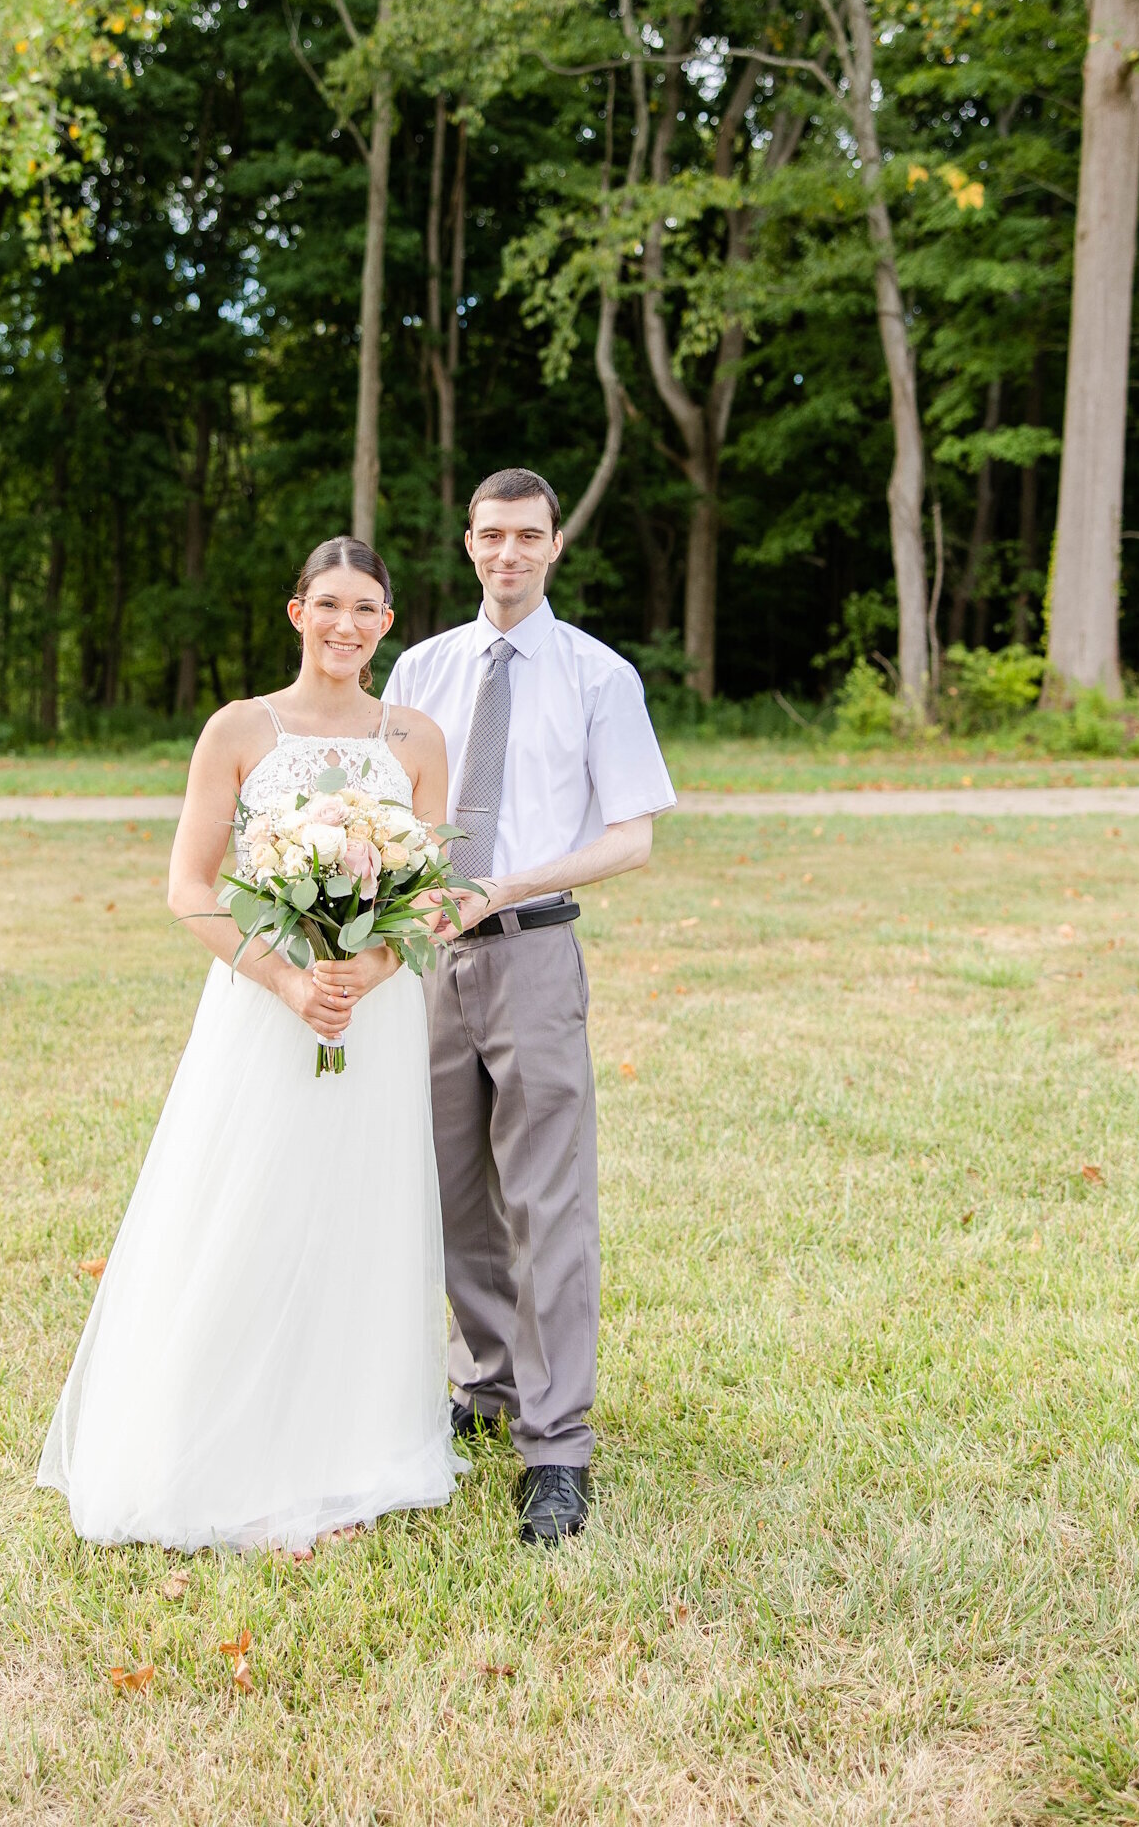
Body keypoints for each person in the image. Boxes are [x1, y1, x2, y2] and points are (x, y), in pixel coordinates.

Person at [37, 538, 463, 1552]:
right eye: (328, 605)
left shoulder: (417, 737)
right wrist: (281, 977)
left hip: (375, 1011)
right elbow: (189, 886)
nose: (346, 624)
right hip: (261, 1011)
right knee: (252, 1208)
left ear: (388, 624)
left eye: (366, 608)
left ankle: (350, 1457)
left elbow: (439, 889)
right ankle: (231, 1454)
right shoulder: (240, 729)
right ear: (295, 613)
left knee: (361, 1216)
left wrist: (372, 969)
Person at [384, 467, 677, 1545]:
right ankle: (487, 1386)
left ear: (555, 547)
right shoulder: (419, 668)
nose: (508, 553)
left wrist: (506, 884)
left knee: (546, 1203)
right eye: (490, 535)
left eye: (528, 536)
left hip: (531, 950)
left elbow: (632, 837)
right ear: (468, 545)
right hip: (427, 964)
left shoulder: (600, 677)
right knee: (453, 1189)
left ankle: (557, 1449)